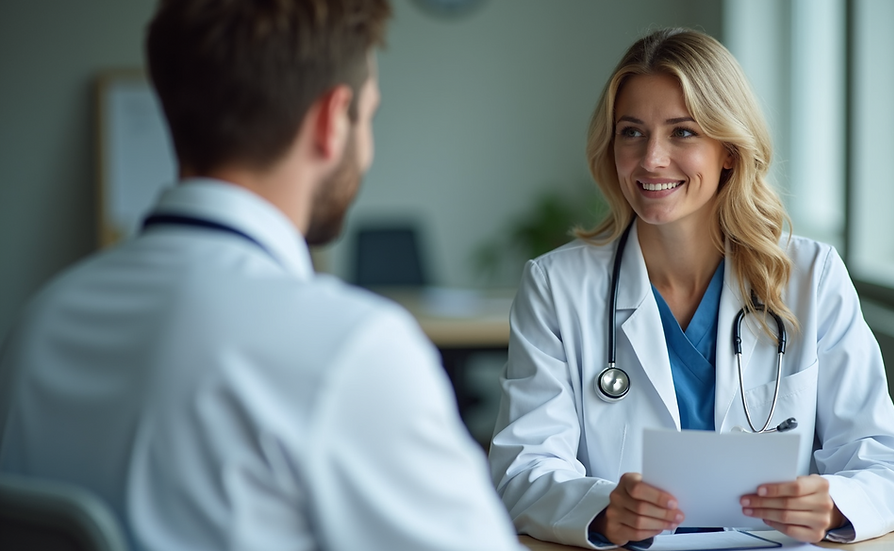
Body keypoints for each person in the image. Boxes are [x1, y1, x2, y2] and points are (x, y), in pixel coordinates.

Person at [0, 1, 523, 550]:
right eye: (367, 116)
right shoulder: (349, 351)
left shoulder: (39, 325)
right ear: (330, 122)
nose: (366, 148)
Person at [488, 28, 894, 550]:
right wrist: (603, 509)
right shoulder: (557, 287)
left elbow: (884, 461)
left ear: (730, 151)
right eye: (632, 132)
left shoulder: (810, 276)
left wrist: (832, 505)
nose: (651, 159)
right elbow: (522, 472)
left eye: (683, 132)